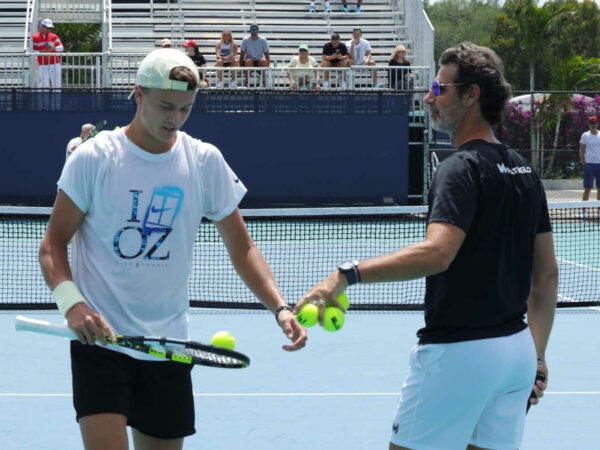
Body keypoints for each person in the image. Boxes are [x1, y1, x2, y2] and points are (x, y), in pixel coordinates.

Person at [38, 48, 307, 450]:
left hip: (169, 348)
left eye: (185, 108)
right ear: (139, 95)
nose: (175, 118)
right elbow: (52, 245)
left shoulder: (204, 161)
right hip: (101, 344)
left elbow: (242, 248)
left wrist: (280, 307)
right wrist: (72, 304)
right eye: (166, 106)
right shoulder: (95, 158)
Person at [296, 42, 557, 450]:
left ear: (471, 95)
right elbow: (546, 275)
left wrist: (345, 275)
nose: (428, 97)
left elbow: (438, 253)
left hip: (459, 355)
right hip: (517, 353)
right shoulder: (524, 170)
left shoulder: (459, 167)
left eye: (439, 88)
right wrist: (537, 358)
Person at [31, 18, 64, 89]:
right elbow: (33, 51)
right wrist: (41, 52)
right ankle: (43, 100)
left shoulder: (54, 36)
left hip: (55, 63)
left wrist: (54, 47)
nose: (49, 29)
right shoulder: (35, 37)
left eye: (50, 28)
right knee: (44, 84)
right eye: (47, 27)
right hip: (43, 64)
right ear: (42, 27)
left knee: (57, 84)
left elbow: (61, 47)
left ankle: (57, 100)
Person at [579, 115, 600, 205]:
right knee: (588, 188)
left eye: (595, 123)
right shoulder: (585, 135)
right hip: (589, 165)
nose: (593, 125)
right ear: (589, 124)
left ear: (597, 124)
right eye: (592, 123)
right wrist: (583, 162)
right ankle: (583, 211)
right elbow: (582, 150)